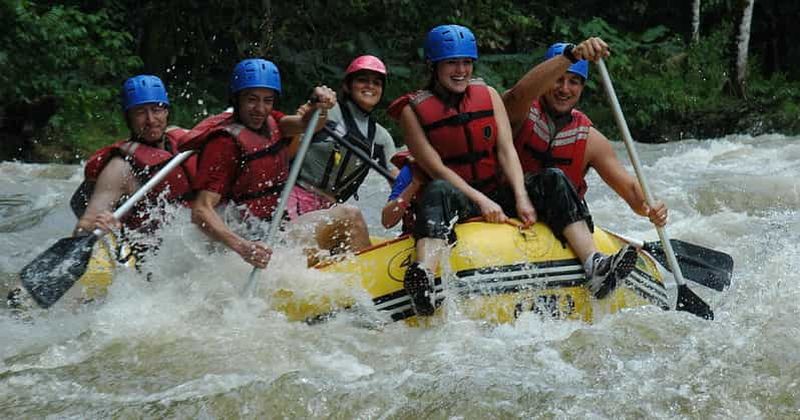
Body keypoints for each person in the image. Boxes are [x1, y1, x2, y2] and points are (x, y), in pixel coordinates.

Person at [502, 39, 668, 299]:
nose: (564, 89)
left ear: (582, 87)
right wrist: (572, 56)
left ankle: (595, 264)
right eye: (558, 79)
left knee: (555, 180)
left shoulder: (590, 139)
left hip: (557, 221)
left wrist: (652, 207)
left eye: (574, 82)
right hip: (508, 207)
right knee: (553, 178)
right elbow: (518, 94)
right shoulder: (518, 113)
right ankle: (593, 263)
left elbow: (632, 192)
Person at [387, 24, 535, 316]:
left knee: (551, 179)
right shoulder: (411, 111)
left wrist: (521, 196)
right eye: (452, 63)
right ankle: (423, 277)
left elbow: (506, 149)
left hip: (495, 192)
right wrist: (481, 201)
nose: (460, 70)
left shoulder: (489, 94)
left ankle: (593, 261)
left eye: (466, 62)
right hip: (456, 201)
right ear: (433, 65)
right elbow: (437, 169)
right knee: (439, 188)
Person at [183, 58, 363, 269]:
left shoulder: (272, 123)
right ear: (237, 99)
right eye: (252, 99)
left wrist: (319, 106)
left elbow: (308, 125)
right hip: (248, 244)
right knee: (317, 248)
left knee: (350, 215)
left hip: (277, 229)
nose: (260, 109)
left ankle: (364, 285)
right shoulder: (223, 143)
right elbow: (201, 211)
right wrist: (243, 248)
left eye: (267, 100)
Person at [70, 74, 196, 239]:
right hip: (143, 250)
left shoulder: (182, 143)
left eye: (156, 109)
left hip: (186, 240)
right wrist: (105, 230)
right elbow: (83, 229)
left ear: (166, 112)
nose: (151, 120)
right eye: (140, 112)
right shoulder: (119, 168)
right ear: (128, 118)